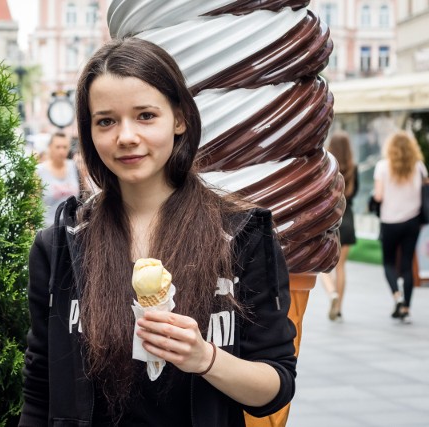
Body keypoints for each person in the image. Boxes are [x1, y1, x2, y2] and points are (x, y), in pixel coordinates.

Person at [19, 38, 296, 426]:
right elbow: (39, 389)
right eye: (106, 121)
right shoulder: (62, 245)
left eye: (145, 115)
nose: (126, 136)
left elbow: (275, 387)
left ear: (179, 118)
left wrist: (205, 358)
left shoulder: (241, 235)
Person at [374, 131, 427, 324]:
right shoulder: (419, 167)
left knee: (388, 263)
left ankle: (397, 296)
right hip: (412, 221)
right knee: (406, 265)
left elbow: (379, 197)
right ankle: (406, 307)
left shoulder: (382, 167)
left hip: (389, 222)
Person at [321, 132, 358, 321]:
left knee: (322, 268)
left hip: (331, 219)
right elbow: (354, 194)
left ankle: (332, 294)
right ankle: (340, 307)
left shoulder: (327, 166)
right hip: (348, 219)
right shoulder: (353, 168)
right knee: (341, 267)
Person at [36, 132, 80, 226]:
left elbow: (84, 193)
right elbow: (32, 203)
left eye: (65, 147)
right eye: (58, 147)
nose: (61, 151)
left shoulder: (74, 167)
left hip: (70, 229)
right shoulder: (39, 171)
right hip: (47, 229)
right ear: (50, 147)